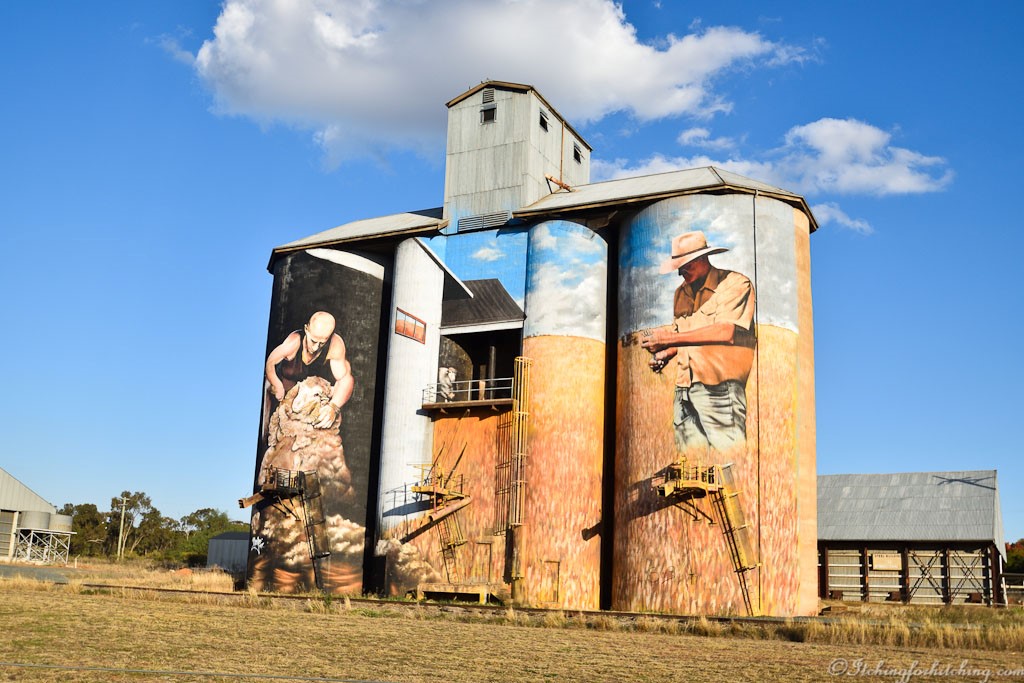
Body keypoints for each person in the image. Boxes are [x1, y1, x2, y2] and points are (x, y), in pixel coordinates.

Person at [641, 231, 756, 453]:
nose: (681, 272)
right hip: (684, 388)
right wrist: (667, 353)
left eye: (686, 266)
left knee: (730, 459)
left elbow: (725, 332)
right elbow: (688, 335)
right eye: (678, 267)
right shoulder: (681, 293)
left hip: (720, 390)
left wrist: (667, 339)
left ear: (703, 258)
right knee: (691, 464)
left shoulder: (735, 284)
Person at [265, 311, 353, 429]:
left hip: (312, 403)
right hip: (284, 398)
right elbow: (270, 363)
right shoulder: (294, 342)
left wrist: (333, 407)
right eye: (313, 341)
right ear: (306, 329)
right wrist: (277, 384)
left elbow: (345, 379)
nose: (316, 348)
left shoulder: (335, 345)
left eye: (322, 343)